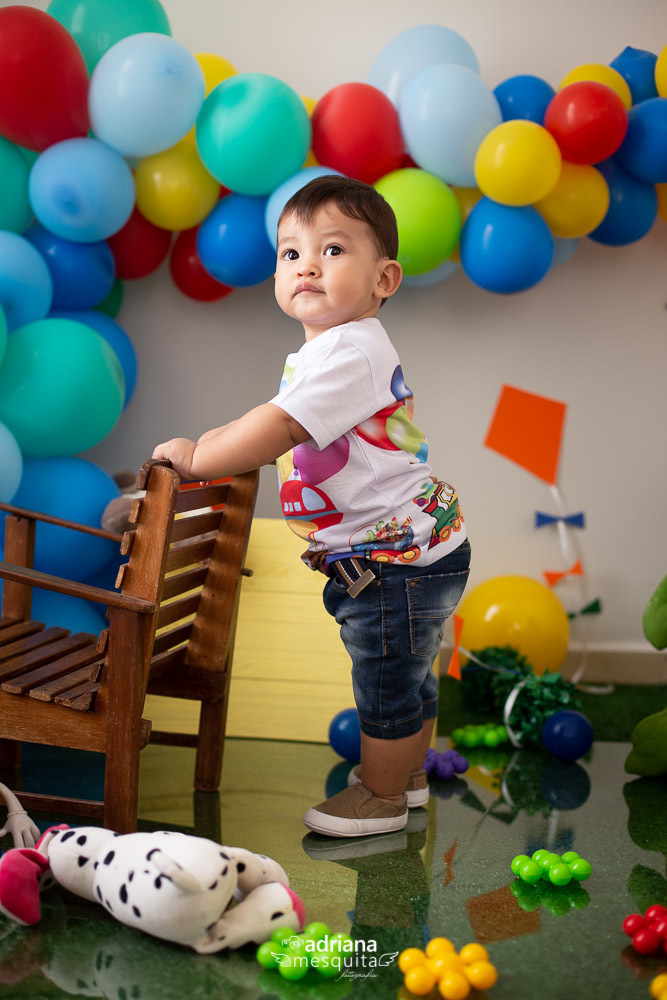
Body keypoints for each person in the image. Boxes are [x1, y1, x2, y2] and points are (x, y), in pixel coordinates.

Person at [152, 175, 470, 838]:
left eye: (331, 249)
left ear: (384, 278)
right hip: (414, 547)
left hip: (394, 559)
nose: (306, 266)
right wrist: (217, 439)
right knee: (409, 672)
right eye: (290, 253)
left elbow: (277, 427)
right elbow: (275, 419)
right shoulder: (327, 353)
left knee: (385, 679)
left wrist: (198, 456)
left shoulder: (350, 350)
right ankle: (406, 779)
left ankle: (381, 798)